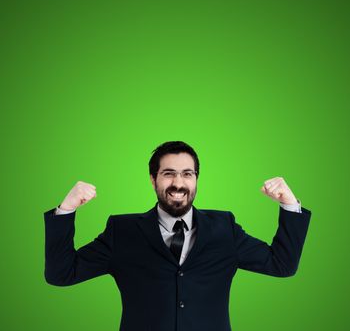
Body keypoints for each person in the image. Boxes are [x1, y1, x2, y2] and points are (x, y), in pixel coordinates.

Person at [43, 141, 312, 331]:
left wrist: (289, 204)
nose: (178, 183)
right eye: (168, 173)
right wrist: (66, 210)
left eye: (187, 174)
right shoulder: (122, 231)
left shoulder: (224, 228)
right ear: (153, 179)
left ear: (196, 179)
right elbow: (61, 274)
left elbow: (282, 265)